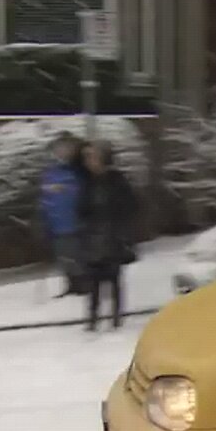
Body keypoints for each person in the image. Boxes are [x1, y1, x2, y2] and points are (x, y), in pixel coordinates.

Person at [77, 140, 138, 331]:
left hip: (113, 235)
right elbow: (80, 209)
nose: (89, 161)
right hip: (93, 236)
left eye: (93, 157)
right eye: (87, 158)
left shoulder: (116, 180)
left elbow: (130, 206)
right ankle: (93, 317)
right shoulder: (87, 182)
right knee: (93, 279)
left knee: (113, 278)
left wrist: (124, 233)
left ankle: (116, 316)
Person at [39, 131, 86, 297]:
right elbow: (45, 197)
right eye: (58, 148)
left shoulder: (79, 170)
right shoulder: (50, 173)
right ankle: (71, 284)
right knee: (63, 256)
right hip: (56, 224)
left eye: (65, 147)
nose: (61, 151)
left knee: (77, 255)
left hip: (76, 222)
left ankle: (83, 284)